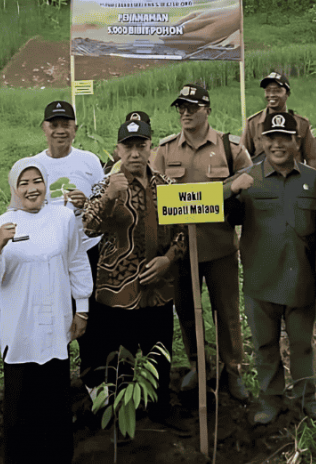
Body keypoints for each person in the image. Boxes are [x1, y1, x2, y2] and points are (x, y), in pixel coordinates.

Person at [0, 158, 92, 464]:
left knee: (55, 395)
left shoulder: (63, 217)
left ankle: (57, 460)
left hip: (56, 321)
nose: (32, 189)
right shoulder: (1, 224)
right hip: (20, 327)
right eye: (24, 183)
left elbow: (76, 261)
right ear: (14, 187)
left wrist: (81, 307)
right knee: (23, 398)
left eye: (37, 181)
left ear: (45, 185)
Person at [83, 119, 187, 428]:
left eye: (141, 146)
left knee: (160, 354)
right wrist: (110, 197)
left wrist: (168, 260)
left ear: (151, 148)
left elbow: (183, 234)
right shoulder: (106, 185)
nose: (135, 154)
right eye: (128, 147)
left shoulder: (166, 186)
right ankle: (122, 417)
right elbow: (89, 226)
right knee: (119, 359)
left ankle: (159, 409)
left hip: (159, 289)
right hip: (118, 291)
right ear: (117, 150)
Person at [226, 112, 316, 424]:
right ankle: (271, 400)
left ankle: (306, 399)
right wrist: (232, 192)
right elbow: (227, 219)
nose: (278, 144)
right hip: (260, 281)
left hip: (300, 279)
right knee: (265, 346)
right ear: (261, 141)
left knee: (302, 346)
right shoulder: (247, 178)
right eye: (271, 138)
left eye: (286, 138)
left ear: (297, 142)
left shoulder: (315, 181)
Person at [153, 83, 252, 401]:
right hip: (181, 251)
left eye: (191, 107)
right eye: (180, 107)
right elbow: (154, 194)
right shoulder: (165, 150)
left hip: (220, 247)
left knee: (227, 313)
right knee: (187, 311)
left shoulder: (230, 148)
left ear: (207, 109)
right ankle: (199, 365)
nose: (185, 112)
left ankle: (232, 369)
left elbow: (250, 189)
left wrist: (232, 191)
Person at [27, 100, 104, 387]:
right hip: (50, 255)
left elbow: (103, 201)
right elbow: (24, 209)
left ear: (75, 128)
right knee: (54, 316)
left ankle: (95, 385)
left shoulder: (90, 161)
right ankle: (56, 386)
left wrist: (88, 203)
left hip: (88, 249)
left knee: (91, 321)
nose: (60, 130)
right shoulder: (34, 165)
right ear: (44, 128)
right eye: (53, 124)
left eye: (66, 125)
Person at [241, 71, 316, 168]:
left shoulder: (301, 123)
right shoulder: (253, 123)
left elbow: (311, 158)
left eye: (277, 91)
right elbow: (243, 157)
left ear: (287, 94)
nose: (271, 95)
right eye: (268, 91)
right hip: (262, 180)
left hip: (293, 179)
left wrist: (312, 181)